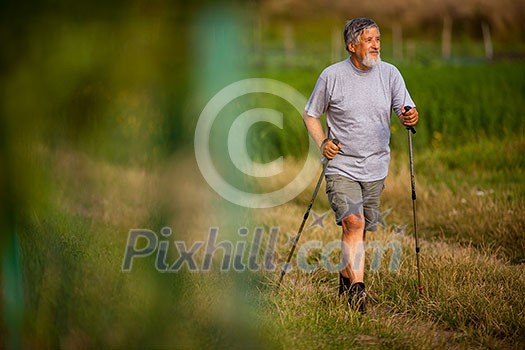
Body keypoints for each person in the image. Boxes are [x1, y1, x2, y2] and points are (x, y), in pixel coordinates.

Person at [303, 17, 419, 314]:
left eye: (378, 39)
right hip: (341, 165)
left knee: (359, 231)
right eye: (369, 40)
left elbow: (405, 108)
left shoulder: (390, 74)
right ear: (351, 45)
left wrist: (410, 116)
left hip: (376, 165)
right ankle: (358, 292)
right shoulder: (332, 76)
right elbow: (310, 115)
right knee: (353, 222)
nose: (376, 45)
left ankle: (345, 280)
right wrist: (322, 144)